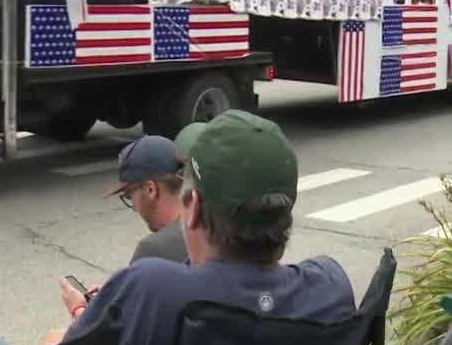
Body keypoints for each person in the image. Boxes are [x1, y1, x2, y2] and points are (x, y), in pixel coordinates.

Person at [45, 110, 355, 345]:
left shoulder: (149, 288)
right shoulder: (330, 285)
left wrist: (82, 311)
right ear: (283, 213)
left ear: (192, 210)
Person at [104, 135, 189, 264]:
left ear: (151, 189)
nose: (135, 209)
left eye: (129, 195)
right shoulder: (214, 226)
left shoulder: (153, 251)